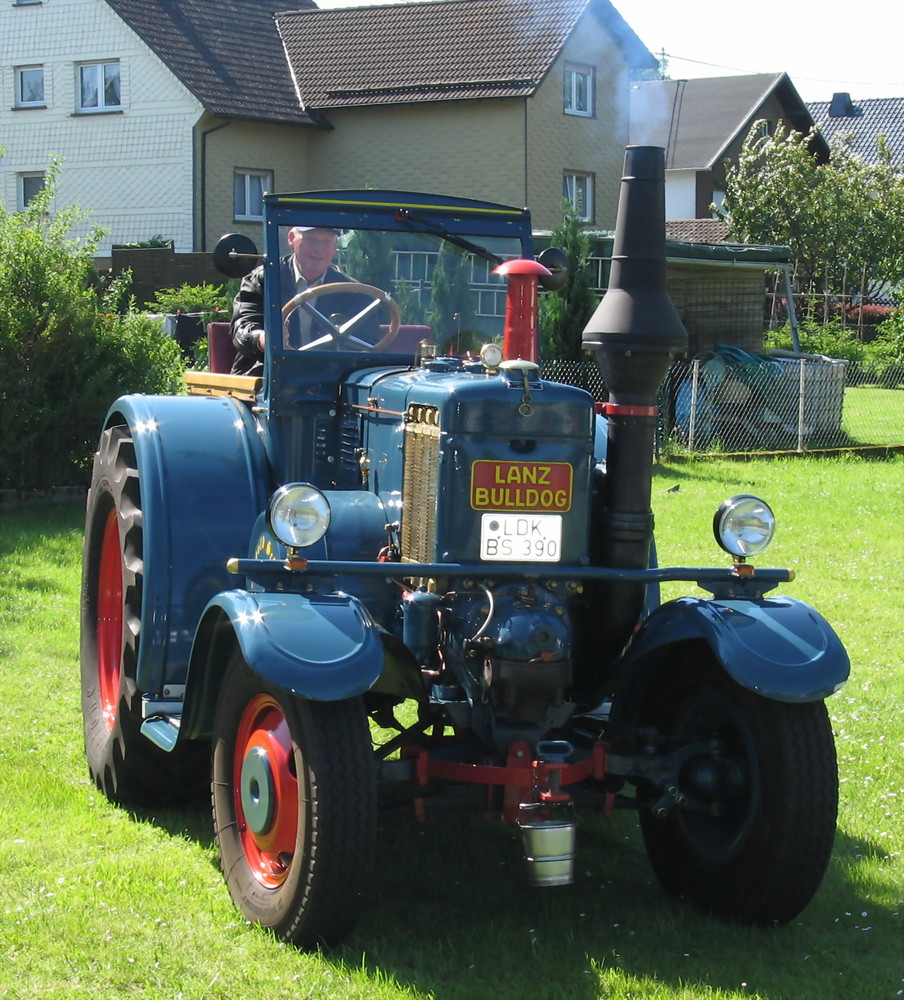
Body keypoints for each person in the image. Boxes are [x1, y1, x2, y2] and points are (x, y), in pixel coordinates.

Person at [229, 226, 376, 376]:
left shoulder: (352, 291)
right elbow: (242, 328)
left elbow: (368, 344)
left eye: (326, 242)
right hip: (267, 375)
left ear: (335, 247)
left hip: (329, 379)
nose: (318, 249)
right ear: (292, 239)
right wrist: (264, 339)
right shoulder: (263, 280)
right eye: (311, 240)